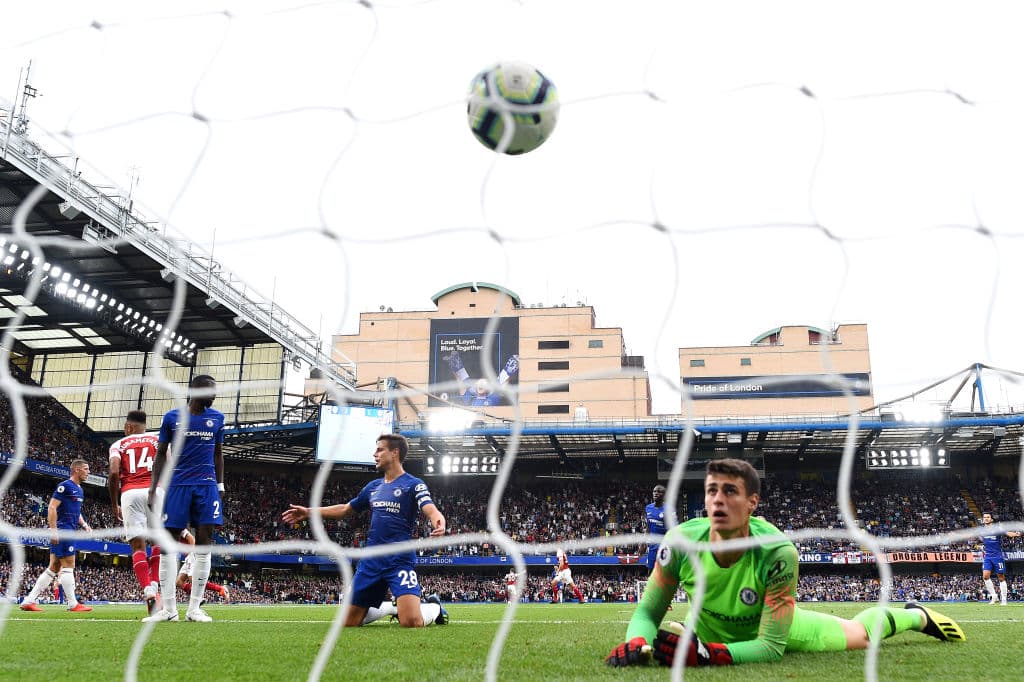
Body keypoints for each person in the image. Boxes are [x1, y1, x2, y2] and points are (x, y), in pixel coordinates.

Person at [606, 458, 966, 668]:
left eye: (730, 491)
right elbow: (647, 614)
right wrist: (637, 641)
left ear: (752, 503)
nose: (718, 500)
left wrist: (710, 655)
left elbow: (770, 647)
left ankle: (916, 615)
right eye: (712, 490)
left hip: (770, 629)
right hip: (707, 632)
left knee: (861, 637)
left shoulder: (779, 553)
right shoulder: (680, 542)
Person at [281, 433, 449, 628]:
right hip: (371, 561)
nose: (374, 454)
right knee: (347, 623)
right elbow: (345, 509)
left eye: (379, 449)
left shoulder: (413, 484)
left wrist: (439, 522)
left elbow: (431, 509)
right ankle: (391, 607)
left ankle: (434, 607)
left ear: (395, 453)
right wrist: (309, 512)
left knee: (411, 622)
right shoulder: (373, 487)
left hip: (399, 559)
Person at [144, 374, 225, 623]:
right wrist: (153, 488)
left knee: (203, 544)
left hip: (206, 485)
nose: (214, 395)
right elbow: (159, 455)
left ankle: (194, 609)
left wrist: (220, 486)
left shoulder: (218, 418)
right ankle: (169, 610)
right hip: (177, 484)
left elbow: (219, 454)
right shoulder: (171, 418)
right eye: (210, 390)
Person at [19, 459, 94, 613]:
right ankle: (73, 604)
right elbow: (52, 507)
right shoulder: (64, 486)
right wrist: (53, 531)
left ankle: (28, 601)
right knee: (69, 566)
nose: (88, 472)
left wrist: (85, 525)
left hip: (70, 529)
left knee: (53, 568)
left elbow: (76, 511)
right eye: (86, 469)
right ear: (77, 470)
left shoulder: (79, 489)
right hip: (63, 530)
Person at [108, 409, 161, 616]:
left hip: (130, 493)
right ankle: (156, 586)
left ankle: (148, 590)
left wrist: (114, 503)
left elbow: (113, 473)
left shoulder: (118, 445)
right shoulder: (157, 439)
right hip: (155, 491)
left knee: (137, 546)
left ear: (129, 427)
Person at [445, 350, 519, 407]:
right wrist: (455, 367)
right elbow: (461, 382)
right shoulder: (470, 399)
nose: (481, 385)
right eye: (479, 383)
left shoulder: (493, 398)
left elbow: (502, 384)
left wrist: (510, 369)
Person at [175, 528, 230, 604]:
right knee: (179, 582)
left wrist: (190, 552)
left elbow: (192, 539)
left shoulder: (179, 528)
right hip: (188, 557)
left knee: (193, 578)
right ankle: (221, 589)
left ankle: (198, 598)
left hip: (192, 554)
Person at [980, 511, 1021, 605]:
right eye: (984, 517)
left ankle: (1004, 599)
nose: (986, 518)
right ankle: (994, 597)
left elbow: (1008, 533)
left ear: (991, 519)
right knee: (985, 576)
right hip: (987, 556)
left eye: (988, 517)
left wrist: (1016, 534)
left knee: (1001, 577)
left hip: (997, 556)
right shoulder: (981, 530)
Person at [644, 485, 667, 572]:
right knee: (650, 572)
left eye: (659, 492)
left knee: (664, 574)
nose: (656, 493)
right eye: (654, 491)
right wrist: (644, 543)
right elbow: (648, 526)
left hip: (664, 546)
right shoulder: (648, 508)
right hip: (653, 546)